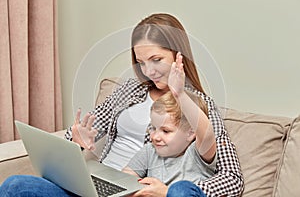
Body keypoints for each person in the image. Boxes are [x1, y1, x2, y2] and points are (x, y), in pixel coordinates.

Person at [0, 13, 243, 197]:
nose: (149, 71)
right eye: (141, 63)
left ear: (179, 54)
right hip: (96, 187)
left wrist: (166, 190)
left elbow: (232, 178)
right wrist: (77, 142)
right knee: (15, 186)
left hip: (140, 192)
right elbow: (83, 135)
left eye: (156, 60)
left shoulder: (200, 106)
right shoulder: (128, 90)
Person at [123, 84, 216, 197]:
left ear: (190, 133)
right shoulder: (149, 150)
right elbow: (126, 177)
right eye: (153, 128)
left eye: (166, 131)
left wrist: (180, 95)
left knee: (180, 189)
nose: (155, 137)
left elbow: (206, 134)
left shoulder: (197, 153)